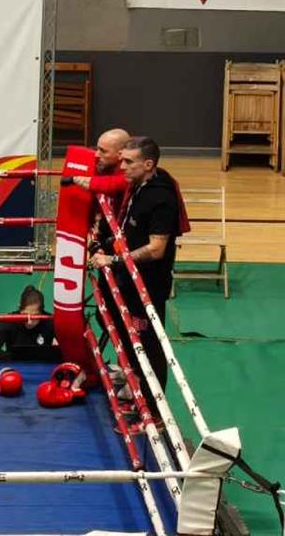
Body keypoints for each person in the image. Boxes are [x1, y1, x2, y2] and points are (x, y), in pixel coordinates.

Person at [90, 136, 181, 408]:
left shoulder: (161, 196)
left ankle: (154, 411)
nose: (123, 166)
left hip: (149, 286)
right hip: (129, 278)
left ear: (148, 164)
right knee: (116, 324)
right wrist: (103, 241)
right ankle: (134, 383)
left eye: (129, 162)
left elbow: (156, 249)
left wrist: (114, 259)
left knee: (149, 346)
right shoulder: (137, 187)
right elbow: (129, 231)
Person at [0, 285, 59, 361]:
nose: (29, 322)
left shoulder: (50, 321)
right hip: (15, 366)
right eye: (25, 316)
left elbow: (68, 349)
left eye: (34, 317)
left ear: (42, 312)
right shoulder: (9, 320)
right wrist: (15, 359)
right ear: (20, 310)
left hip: (43, 366)